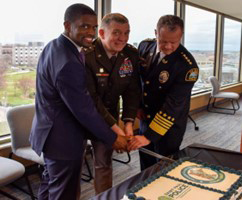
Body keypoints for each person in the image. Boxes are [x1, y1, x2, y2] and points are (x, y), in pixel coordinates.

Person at [30, 4, 128, 200]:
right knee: (64, 193)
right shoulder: (69, 61)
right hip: (63, 141)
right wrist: (112, 137)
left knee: (50, 186)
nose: (90, 33)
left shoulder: (55, 45)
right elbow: (83, 110)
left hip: (49, 134)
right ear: (68, 25)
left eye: (93, 27)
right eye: (84, 26)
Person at [128, 15, 199, 170]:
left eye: (173, 42)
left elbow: (173, 105)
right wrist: (139, 106)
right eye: (163, 41)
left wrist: (148, 136)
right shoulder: (144, 47)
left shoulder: (187, 66)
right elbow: (139, 81)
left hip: (168, 124)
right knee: (146, 161)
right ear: (156, 33)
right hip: (146, 117)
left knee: (164, 166)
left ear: (181, 36)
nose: (167, 46)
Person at [84, 13, 141, 194]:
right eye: (116, 33)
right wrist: (116, 129)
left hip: (109, 115)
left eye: (126, 33)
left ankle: (103, 198)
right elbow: (92, 99)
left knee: (103, 163)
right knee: (73, 165)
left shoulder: (130, 54)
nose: (122, 38)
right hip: (82, 115)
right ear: (101, 32)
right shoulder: (87, 55)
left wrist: (129, 124)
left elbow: (132, 91)